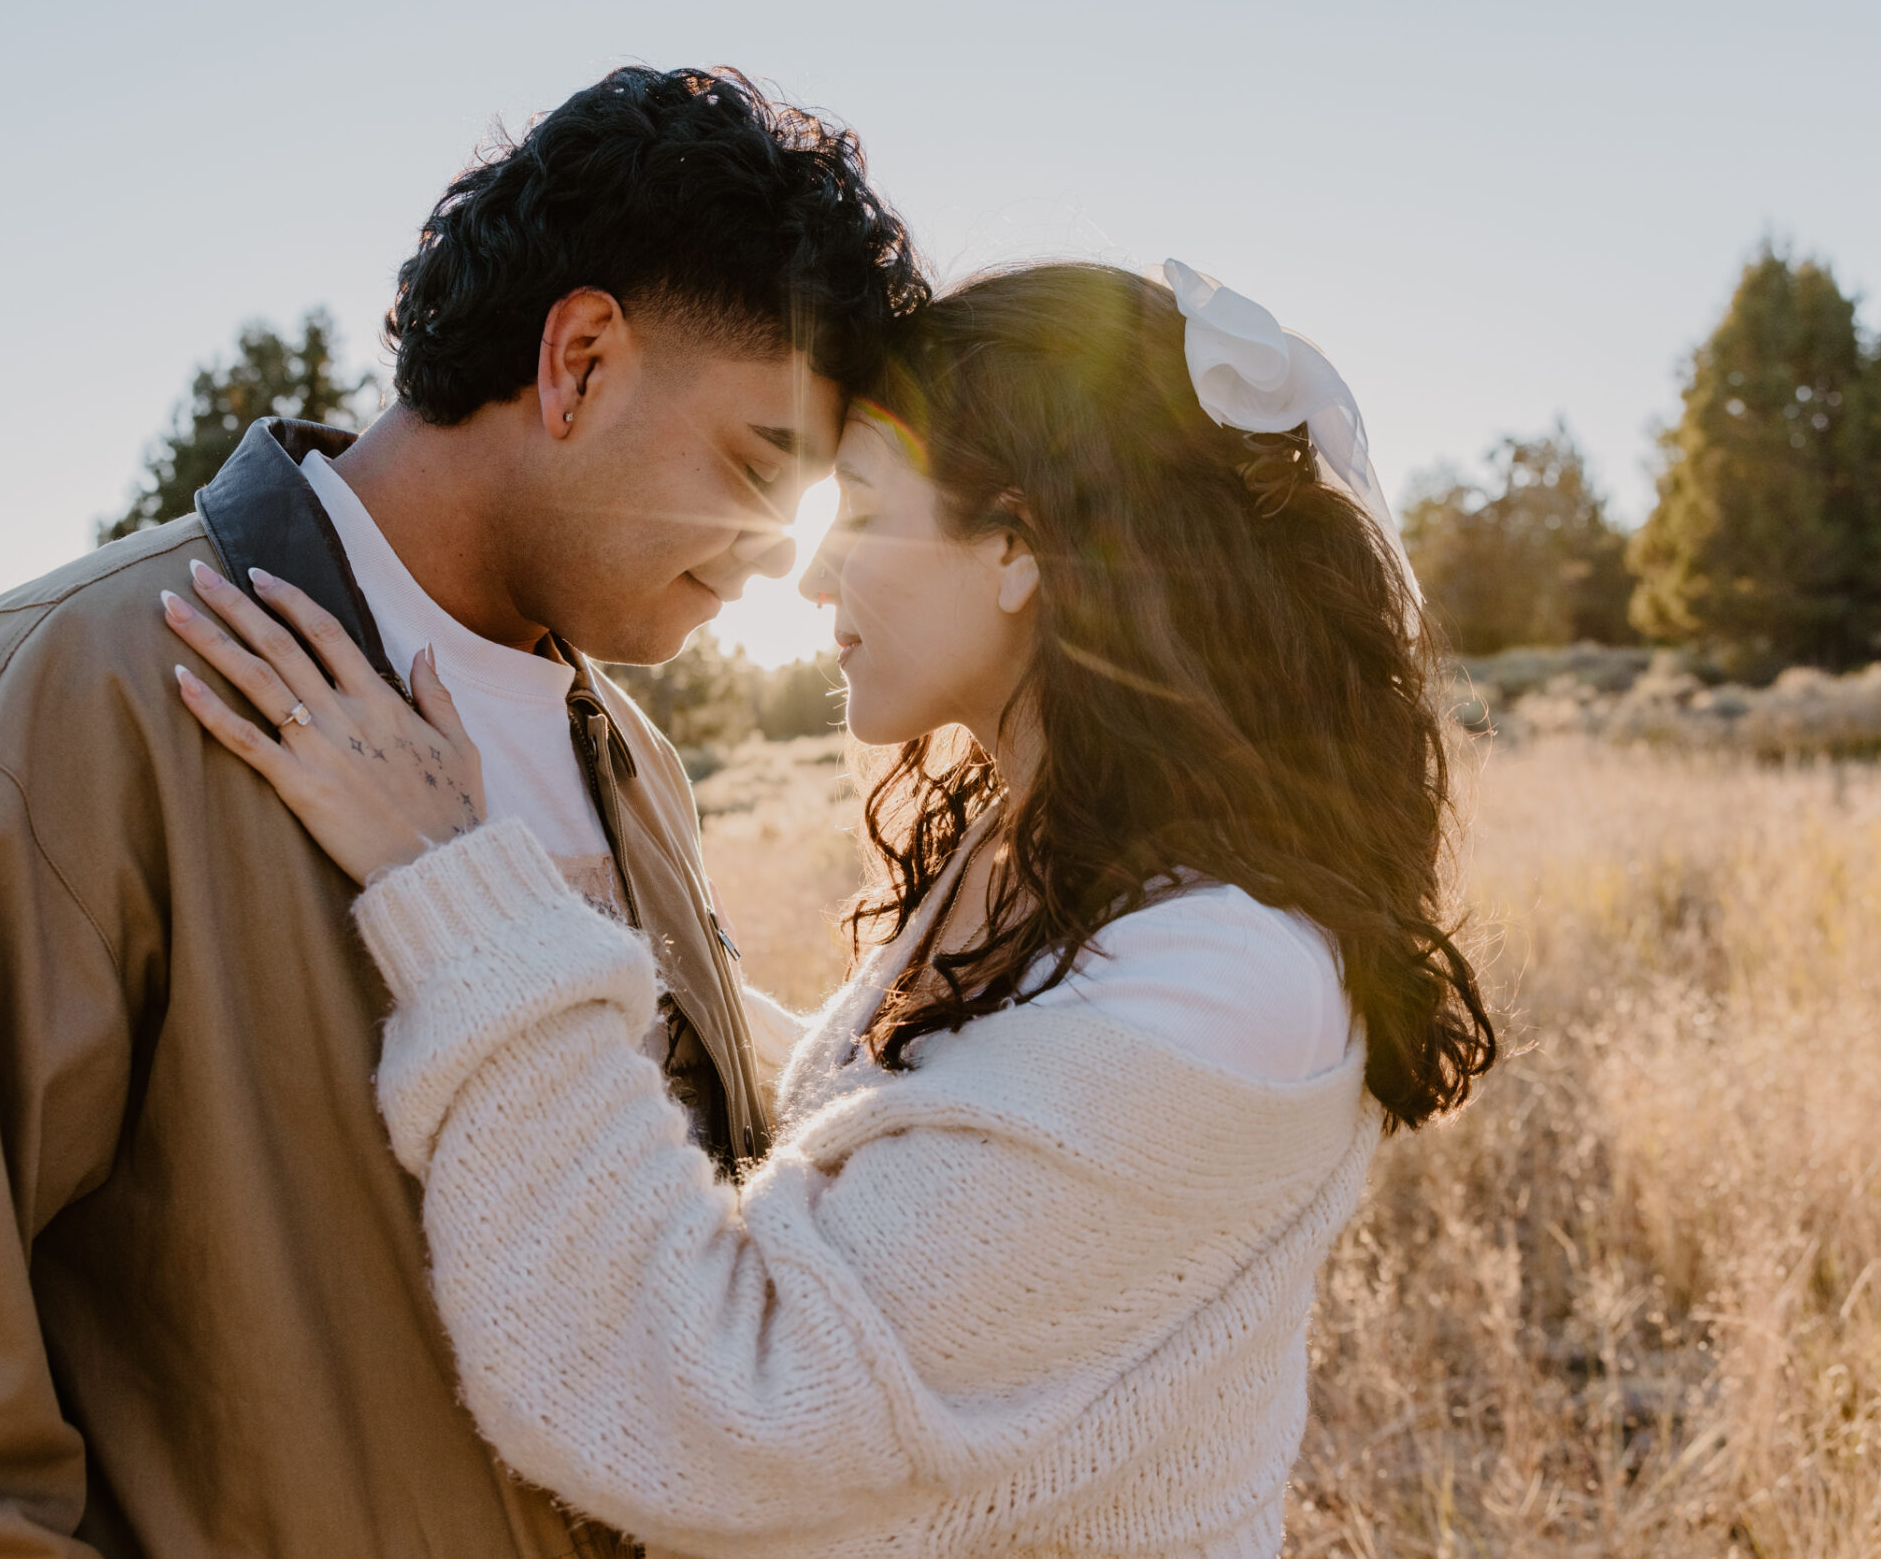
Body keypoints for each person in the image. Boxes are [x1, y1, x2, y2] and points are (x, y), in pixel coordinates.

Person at [0, 65, 928, 1558]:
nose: (781, 558)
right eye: (755, 466)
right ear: (578, 361)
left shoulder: (625, 755)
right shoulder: (46, 714)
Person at [164, 259, 1497, 1557]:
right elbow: (910, 1154)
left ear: (1021, 546)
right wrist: (570, 877)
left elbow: (730, 1405)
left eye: (858, 515)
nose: (808, 580)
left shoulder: (1225, 982)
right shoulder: (1037, 863)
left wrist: (454, 884)